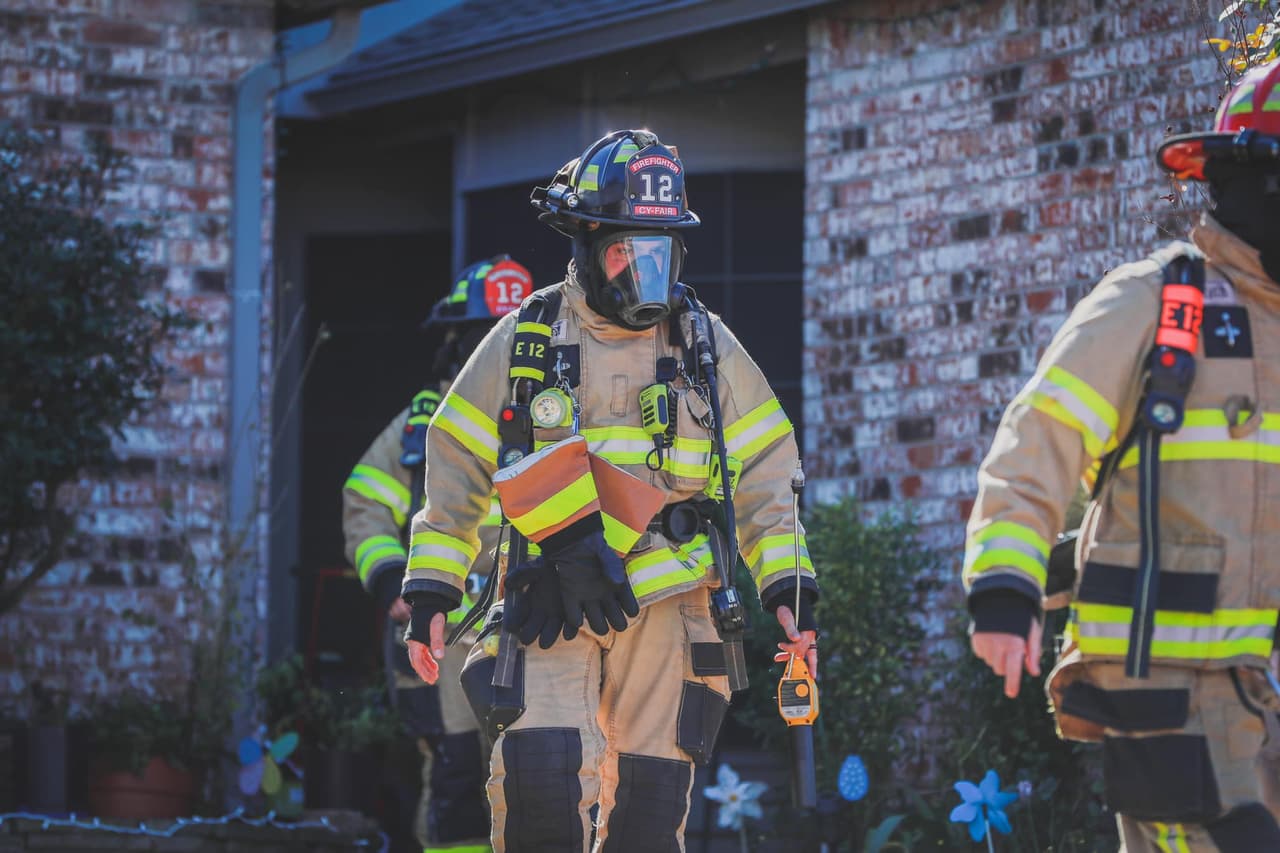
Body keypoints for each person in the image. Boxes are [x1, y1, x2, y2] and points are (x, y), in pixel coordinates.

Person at [399, 129, 818, 852]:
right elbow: (456, 456)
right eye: (624, 252)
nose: (640, 274)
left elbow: (767, 469)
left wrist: (787, 585)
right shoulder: (526, 336)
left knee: (650, 818)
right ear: (587, 245)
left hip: (671, 605)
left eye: (657, 255)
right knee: (541, 790)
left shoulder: (705, 345)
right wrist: (433, 587)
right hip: (547, 596)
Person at [964, 59, 1280, 851]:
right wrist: (1004, 587)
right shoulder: (1155, 303)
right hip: (1162, 697)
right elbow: (1041, 431)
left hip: (1259, 692)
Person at [342, 255, 532, 853]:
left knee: (543, 774)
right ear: (457, 344)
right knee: (455, 778)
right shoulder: (421, 429)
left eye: (513, 338)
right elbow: (365, 504)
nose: (497, 354)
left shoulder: (563, 418)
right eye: (484, 337)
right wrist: (396, 579)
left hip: (537, 624)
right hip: (445, 628)